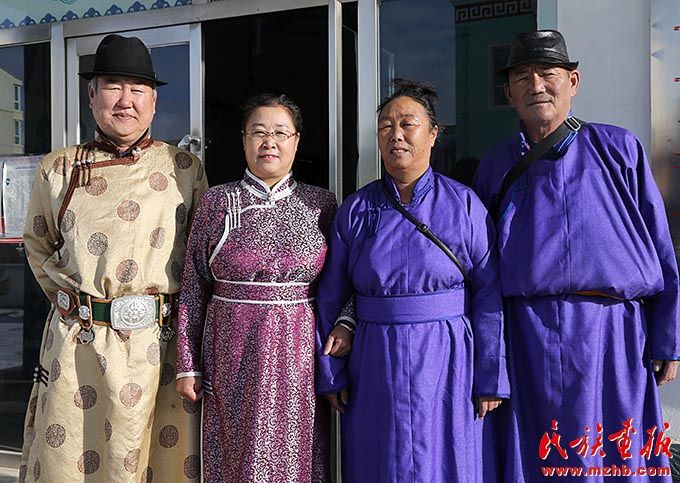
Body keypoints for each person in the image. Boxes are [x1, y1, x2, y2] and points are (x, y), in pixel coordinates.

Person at [473, 30, 680, 482]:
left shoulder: (618, 148)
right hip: (528, 334)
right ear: (509, 95)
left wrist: (669, 336)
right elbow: (483, 271)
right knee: (541, 457)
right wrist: (490, 361)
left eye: (547, 73)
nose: (536, 85)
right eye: (522, 78)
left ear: (573, 81)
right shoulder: (495, 165)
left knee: (615, 455)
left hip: (614, 333)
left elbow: (661, 244)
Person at [20, 34, 207, 482]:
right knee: (71, 464)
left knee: (155, 463)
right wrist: (76, 306)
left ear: (154, 102)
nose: (126, 100)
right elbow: (38, 245)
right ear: (91, 95)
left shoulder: (184, 168)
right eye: (113, 86)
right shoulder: (58, 168)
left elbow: (200, 261)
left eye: (137, 89)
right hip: (79, 348)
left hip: (157, 350)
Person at [316, 79, 509, 482]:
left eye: (408, 123)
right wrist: (332, 371)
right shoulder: (356, 209)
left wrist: (491, 375)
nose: (396, 134)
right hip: (374, 358)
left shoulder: (464, 204)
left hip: (448, 356)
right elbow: (332, 294)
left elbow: (488, 291)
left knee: (447, 459)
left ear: (434, 134)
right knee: (380, 461)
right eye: (386, 126)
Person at [176, 93, 335, 482]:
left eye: (280, 133)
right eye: (259, 132)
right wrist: (187, 363)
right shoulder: (217, 201)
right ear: (244, 139)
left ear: (297, 140)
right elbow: (194, 286)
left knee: (297, 454)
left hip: (300, 356)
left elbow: (343, 281)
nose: (269, 143)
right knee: (238, 454)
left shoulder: (322, 204)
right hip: (233, 352)